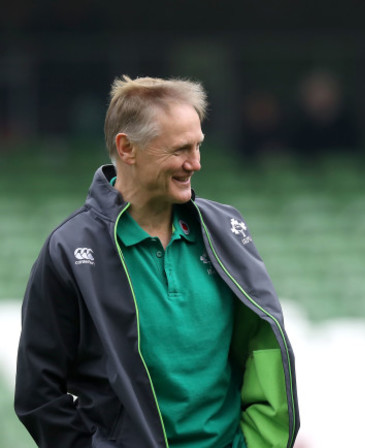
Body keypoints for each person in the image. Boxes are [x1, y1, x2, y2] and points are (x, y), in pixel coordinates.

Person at [15, 76, 300, 448]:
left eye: (199, 146)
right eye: (180, 149)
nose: (195, 164)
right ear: (127, 148)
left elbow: (259, 352)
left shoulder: (227, 228)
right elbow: (38, 394)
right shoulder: (69, 250)